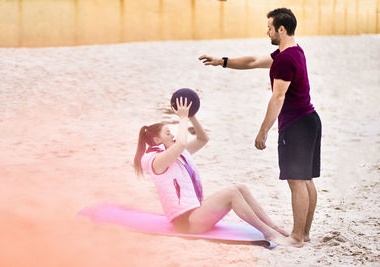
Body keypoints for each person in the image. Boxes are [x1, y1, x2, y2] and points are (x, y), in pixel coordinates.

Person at [198, 8, 322, 248]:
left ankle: (296, 237)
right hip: (309, 121)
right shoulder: (293, 52)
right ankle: (303, 234)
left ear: (281, 29)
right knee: (305, 180)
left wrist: (263, 131)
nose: (267, 32)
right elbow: (253, 61)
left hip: (296, 125)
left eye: (270, 28)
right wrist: (222, 62)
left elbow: (278, 98)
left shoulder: (285, 60)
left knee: (297, 181)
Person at [133, 96, 289, 245]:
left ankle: (272, 227)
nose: (172, 135)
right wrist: (183, 117)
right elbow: (180, 144)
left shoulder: (173, 154)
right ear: (156, 140)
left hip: (195, 214)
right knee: (231, 193)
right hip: (186, 223)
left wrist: (192, 117)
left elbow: (202, 139)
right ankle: (267, 232)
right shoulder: (157, 161)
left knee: (241, 188)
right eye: (168, 133)